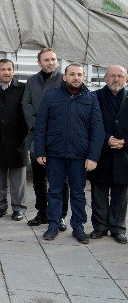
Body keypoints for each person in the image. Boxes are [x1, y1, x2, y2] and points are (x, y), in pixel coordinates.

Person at [34, 63, 104, 243]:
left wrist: (93, 157)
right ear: (64, 77)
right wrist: (40, 150)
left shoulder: (91, 99)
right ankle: (53, 225)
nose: (76, 77)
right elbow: (41, 126)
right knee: (54, 191)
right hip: (55, 154)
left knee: (78, 193)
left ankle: (78, 227)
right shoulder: (51, 97)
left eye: (79, 74)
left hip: (79, 157)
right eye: (72, 74)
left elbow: (97, 130)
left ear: (83, 77)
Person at [23, 47, 70, 231]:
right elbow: (25, 103)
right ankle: (42, 212)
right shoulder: (32, 80)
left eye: (53, 59)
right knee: (39, 179)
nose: (51, 63)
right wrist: (37, 124)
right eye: (46, 60)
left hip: (58, 137)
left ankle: (60, 216)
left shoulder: (64, 80)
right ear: (39, 62)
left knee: (60, 180)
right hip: (36, 136)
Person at [89, 65, 128, 244]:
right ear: (105, 78)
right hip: (101, 154)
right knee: (99, 192)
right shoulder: (95, 97)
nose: (116, 79)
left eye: (120, 76)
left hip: (124, 155)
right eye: (112, 75)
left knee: (120, 195)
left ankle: (117, 228)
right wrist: (106, 139)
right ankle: (99, 227)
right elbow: (89, 125)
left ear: (126, 79)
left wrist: (124, 141)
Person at [0, 59, 28, 221]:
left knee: (18, 178)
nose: (6, 72)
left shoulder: (23, 89)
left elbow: (27, 113)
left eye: (9, 69)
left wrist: (23, 134)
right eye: (3, 69)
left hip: (17, 140)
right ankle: (0, 206)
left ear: (14, 71)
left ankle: (18, 208)